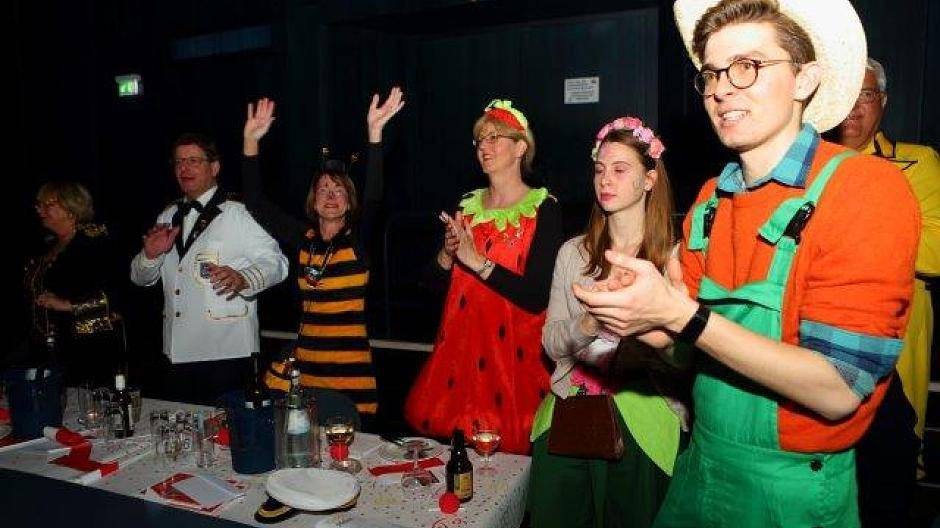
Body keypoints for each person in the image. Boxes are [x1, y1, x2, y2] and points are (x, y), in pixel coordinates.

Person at [574, 0, 920, 525]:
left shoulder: (865, 190)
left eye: (747, 65)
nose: (720, 89)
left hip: (791, 492)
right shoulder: (710, 201)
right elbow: (682, 353)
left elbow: (837, 390)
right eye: (712, 73)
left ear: (805, 79)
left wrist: (681, 316)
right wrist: (640, 315)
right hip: (703, 467)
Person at [529, 117, 684, 527]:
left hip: (644, 415)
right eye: (600, 169)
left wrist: (649, 325)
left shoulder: (673, 257)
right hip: (571, 410)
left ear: (649, 179)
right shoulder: (573, 253)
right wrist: (589, 322)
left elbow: (685, 358)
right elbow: (551, 343)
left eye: (620, 169)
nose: (605, 180)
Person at [404, 99, 564, 455]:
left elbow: (537, 295)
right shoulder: (467, 206)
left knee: (513, 466)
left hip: (514, 363)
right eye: (479, 140)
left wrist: (478, 262)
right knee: (459, 467)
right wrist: (447, 254)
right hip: (461, 357)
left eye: (494, 138)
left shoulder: (544, 208)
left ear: (520, 147)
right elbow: (430, 286)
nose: (483, 147)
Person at [242, 89, 404, 430]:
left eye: (339, 190)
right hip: (305, 373)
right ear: (313, 201)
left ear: (349, 202)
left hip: (350, 377)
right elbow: (254, 201)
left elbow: (375, 196)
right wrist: (251, 141)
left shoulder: (357, 242)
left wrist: (375, 134)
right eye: (323, 190)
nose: (331, 196)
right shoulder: (305, 239)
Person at [836, 56, 940, 526]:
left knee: (886, 490)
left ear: (883, 102)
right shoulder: (803, 165)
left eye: (866, 95)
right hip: (815, 352)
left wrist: (844, 236)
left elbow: (934, 250)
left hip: (890, 356)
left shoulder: (917, 163)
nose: (854, 108)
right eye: (846, 95)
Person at [130, 133, 288, 405]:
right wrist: (150, 255)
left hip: (226, 352)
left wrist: (244, 278)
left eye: (194, 161)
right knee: (183, 426)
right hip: (177, 351)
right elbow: (140, 278)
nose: (184, 168)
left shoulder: (239, 213)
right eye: (179, 162)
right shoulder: (168, 215)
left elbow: (277, 262)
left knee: (226, 428)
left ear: (214, 167)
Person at [20, 181, 122, 386]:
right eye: (39, 205)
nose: (39, 210)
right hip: (50, 347)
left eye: (48, 205)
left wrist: (69, 305)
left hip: (89, 347)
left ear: (71, 209)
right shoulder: (47, 245)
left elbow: (119, 293)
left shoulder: (94, 241)